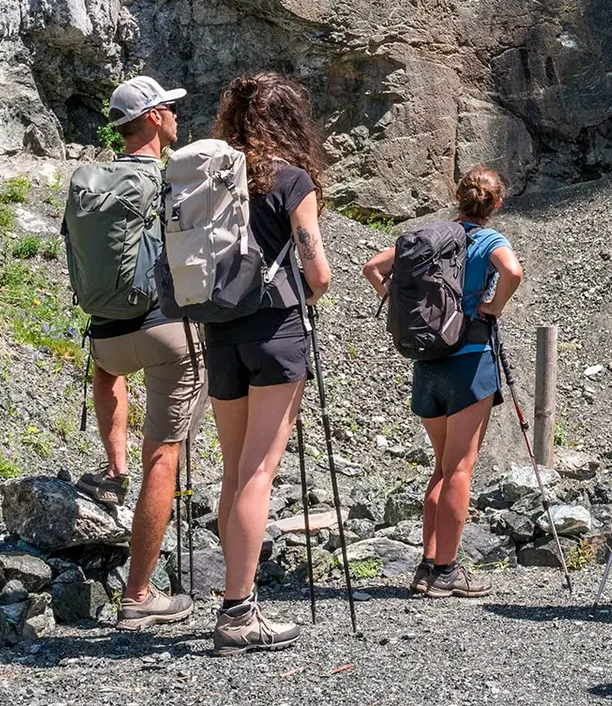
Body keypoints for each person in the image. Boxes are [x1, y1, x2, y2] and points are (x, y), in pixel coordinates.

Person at [204, 72, 332, 655]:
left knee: (234, 470)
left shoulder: (213, 179)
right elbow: (318, 273)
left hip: (219, 329)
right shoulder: (291, 180)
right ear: (289, 121)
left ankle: (235, 596)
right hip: (275, 330)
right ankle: (237, 612)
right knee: (260, 472)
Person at [362, 165, 524, 599]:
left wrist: (396, 300)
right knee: (459, 469)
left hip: (428, 361)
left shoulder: (431, 237)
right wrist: (493, 306)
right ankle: (448, 571)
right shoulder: (490, 240)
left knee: (441, 467)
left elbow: (373, 267)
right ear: (497, 204)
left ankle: (427, 566)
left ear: (458, 196)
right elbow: (513, 271)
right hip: (470, 362)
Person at [78, 75, 200, 632]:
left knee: (109, 374)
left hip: (106, 335)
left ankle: (112, 467)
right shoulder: (169, 178)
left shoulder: (91, 180)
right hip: (163, 330)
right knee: (165, 456)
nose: (177, 115)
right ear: (152, 118)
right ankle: (139, 595)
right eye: (170, 109)